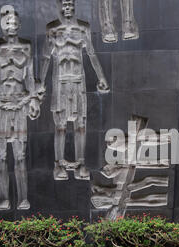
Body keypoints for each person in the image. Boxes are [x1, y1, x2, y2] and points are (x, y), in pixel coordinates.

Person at [0, 5, 41, 210]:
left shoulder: (27, 47)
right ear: (2, 25)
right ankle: (4, 197)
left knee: (20, 154)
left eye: (15, 22)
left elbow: (30, 75)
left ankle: (23, 197)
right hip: (0, 105)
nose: (11, 25)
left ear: (19, 24)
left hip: (20, 104)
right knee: (1, 155)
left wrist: (33, 99)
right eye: (8, 22)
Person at [40, 0, 110, 181]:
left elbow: (92, 54)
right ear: (59, 7)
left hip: (78, 82)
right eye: (64, 4)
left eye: (71, 4)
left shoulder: (83, 29)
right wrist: (40, 83)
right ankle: (58, 164)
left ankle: (81, 163)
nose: (67, 7)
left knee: (80, 125)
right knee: (61, 126)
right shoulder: (53, 30)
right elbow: (46, 57)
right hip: (61, 82)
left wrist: (101, 77)